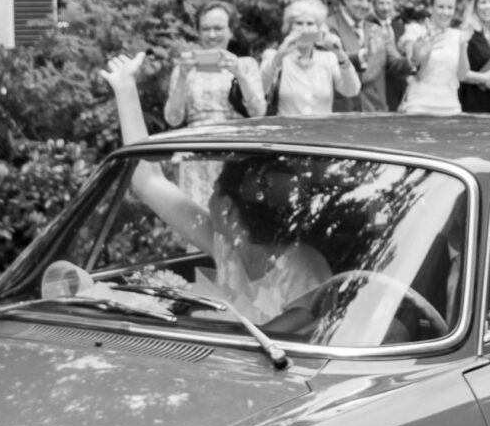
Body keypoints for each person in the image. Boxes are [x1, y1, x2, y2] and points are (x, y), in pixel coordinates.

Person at [100, 53, 331, 323]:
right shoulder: (230, 246)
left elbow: (285, 333)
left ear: (227, 207)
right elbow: (147, 182)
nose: (208, 200)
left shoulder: (303, 266)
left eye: (214, 190)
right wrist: (126, 90)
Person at [163, 1, 267, 129]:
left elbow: (258, 112)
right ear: (198, 32)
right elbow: (173, 120)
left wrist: (239, 75)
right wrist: (182, 77)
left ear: (231, 31)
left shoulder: (246, 65)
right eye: (205, 29)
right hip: (196, 138)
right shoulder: (184, 68)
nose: (212, 35)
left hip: (237, 137)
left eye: (218, 28)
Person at [261, 0, 360, 117]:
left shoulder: (329, 58)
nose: (305, 29)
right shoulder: (274, 57)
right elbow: (260, 90)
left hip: (321, 127)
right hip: (287, 127)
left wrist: (341, 55)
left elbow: (351, 90)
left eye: (310, 24)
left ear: (319, 29)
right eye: (299, 23)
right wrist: (279, 56)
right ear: (289, 28)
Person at [324, 0, 403, 113]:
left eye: (369, 0)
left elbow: (395, 63)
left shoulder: (378, 30)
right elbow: (329, 60)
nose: (365, 5)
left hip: (374, 111)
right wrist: (361, 56)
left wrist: (415, 59)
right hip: (342, 112)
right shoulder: (328, 26)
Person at [400, 0, 469, 116]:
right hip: (419, 108)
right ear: (431, 7)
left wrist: (462, 46)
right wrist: (424, 52)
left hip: (451, 108)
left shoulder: (458, 36)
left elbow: (462, 76)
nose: (446, 12)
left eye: (450, 8)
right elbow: (414, 71)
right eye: (441, 7)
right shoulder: (415, 31)